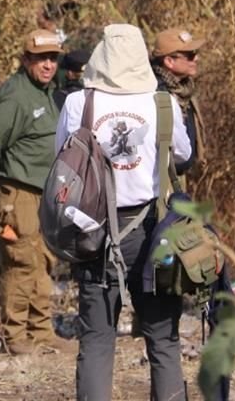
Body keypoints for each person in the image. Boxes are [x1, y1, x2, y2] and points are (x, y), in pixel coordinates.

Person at [56, 24, 192, 401]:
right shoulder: (162, 103)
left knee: (97, 340)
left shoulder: (78, 104)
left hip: (93, 233)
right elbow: (183, 156)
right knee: (163, 338)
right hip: (153, 232)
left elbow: (61, 162)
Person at [0, 29, 64, 355]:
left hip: (45, 193)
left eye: (53, 58)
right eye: (41, 58)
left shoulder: (46, 92)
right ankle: (15, 337)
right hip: (17, 193)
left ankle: (41, 332)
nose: (48, 65)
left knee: (43, 261)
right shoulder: (15, 96)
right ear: (26, 59)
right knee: (20, 263)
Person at [150, 28, 206, 185]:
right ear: (169, 61)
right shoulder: (156, 94)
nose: (196, 58)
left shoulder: (185, 89)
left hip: (178, 177)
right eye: (189, 55)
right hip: (159, 182)